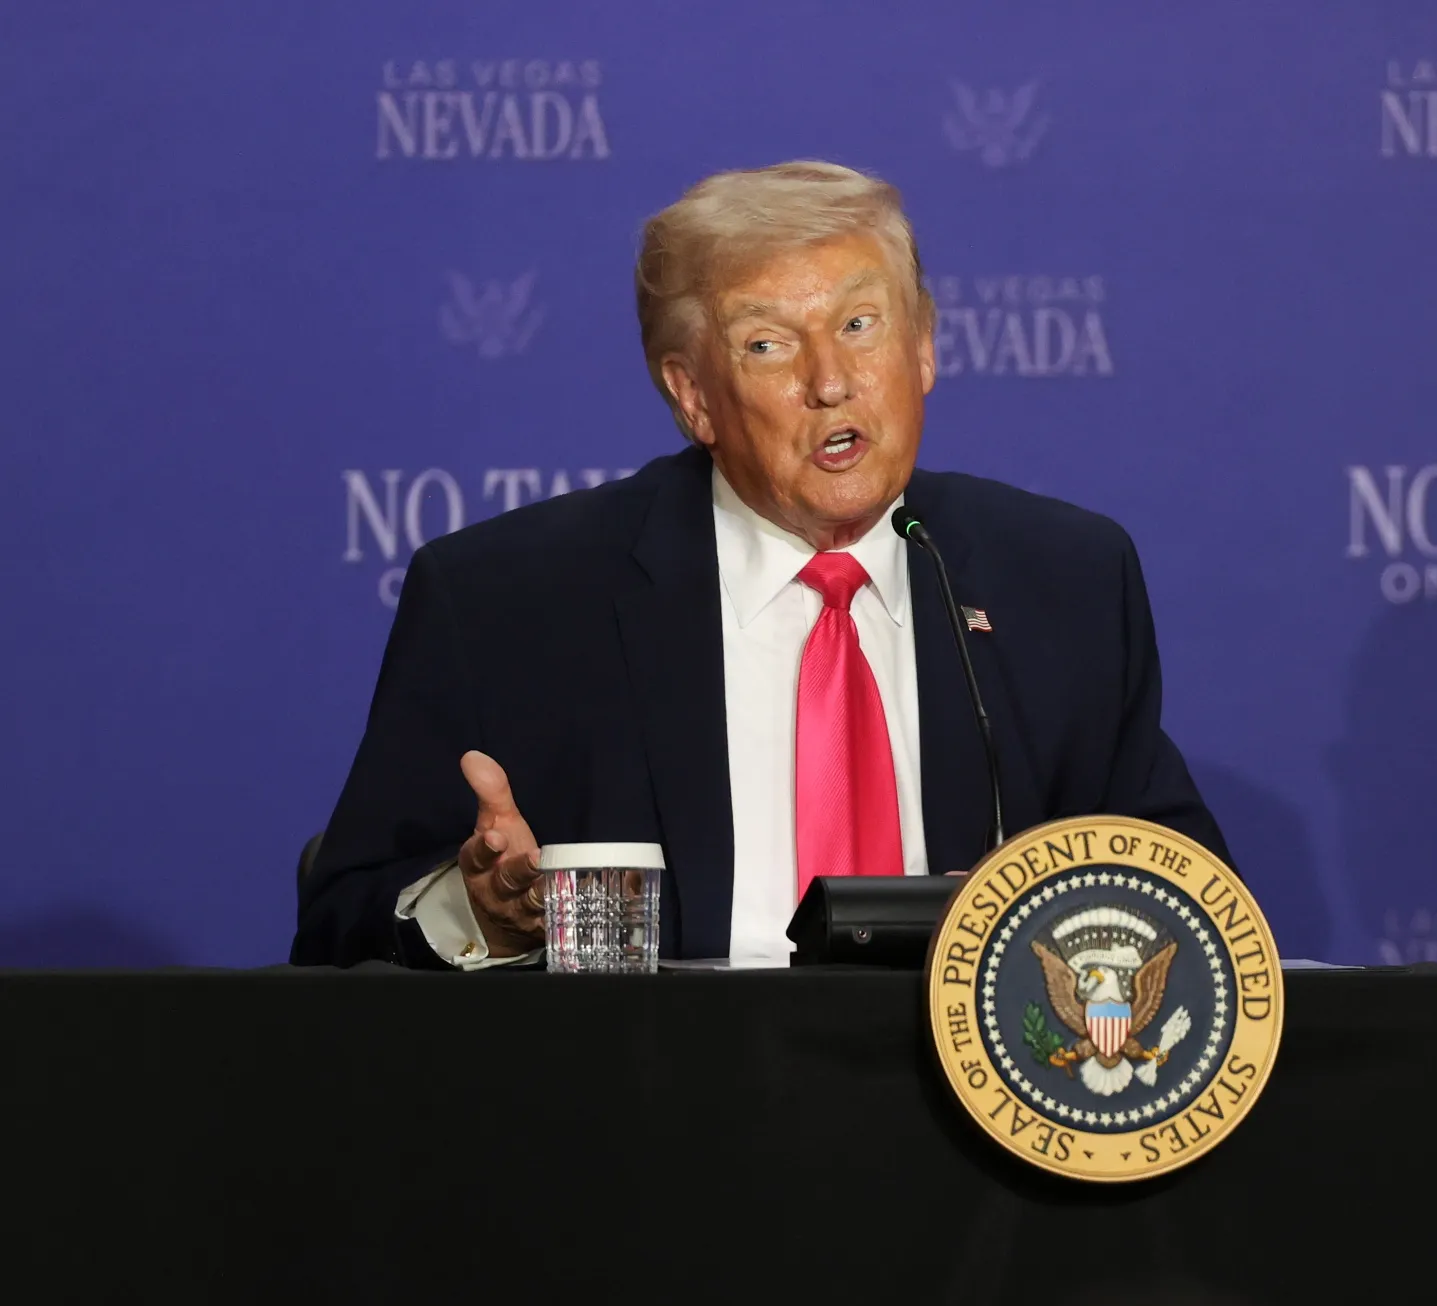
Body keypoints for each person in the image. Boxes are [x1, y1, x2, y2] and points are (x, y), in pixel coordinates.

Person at [292, 161, 1226, 968]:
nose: (830, 380)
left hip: (975, 1137)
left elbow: (1188, 901)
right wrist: (480, 915)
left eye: (862, 324)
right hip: (654, 1134)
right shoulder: (510, 601)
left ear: (927, 344)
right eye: (768, 344)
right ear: (693, 396)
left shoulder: (1061, 581)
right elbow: (342, 923)